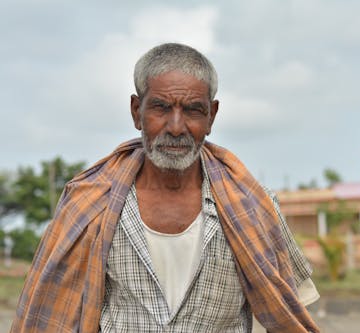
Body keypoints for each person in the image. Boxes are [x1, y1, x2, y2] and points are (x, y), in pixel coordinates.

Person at [12, 43, 320, 333]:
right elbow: (51, 313)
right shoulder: (91, 201)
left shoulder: (253, 205)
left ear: (211, 116)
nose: (175, 127)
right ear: (136, 111)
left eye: (192, 110)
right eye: (160, 108)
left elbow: (291, 313)